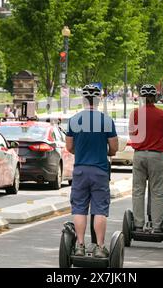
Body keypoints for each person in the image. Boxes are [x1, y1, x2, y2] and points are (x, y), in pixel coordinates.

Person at [66, 84, 119, 258]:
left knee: (80, 208)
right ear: (99, 100)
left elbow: (69, 147)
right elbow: (114, 147)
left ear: (83, 99)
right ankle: (99, 247)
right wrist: (106, 152)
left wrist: (80, 151)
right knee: (100, 209)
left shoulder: (74, 120)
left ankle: (80, 245)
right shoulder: (106, 120)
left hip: (80, 169)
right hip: (100, 170)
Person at [129, 84, 163, 233]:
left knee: (138, 190)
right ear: (155, 97)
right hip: (156, 155)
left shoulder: (135, 114)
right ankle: (157, 225)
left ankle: (138, 224)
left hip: (139, 154)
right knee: (157, 191)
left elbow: (132, 134)